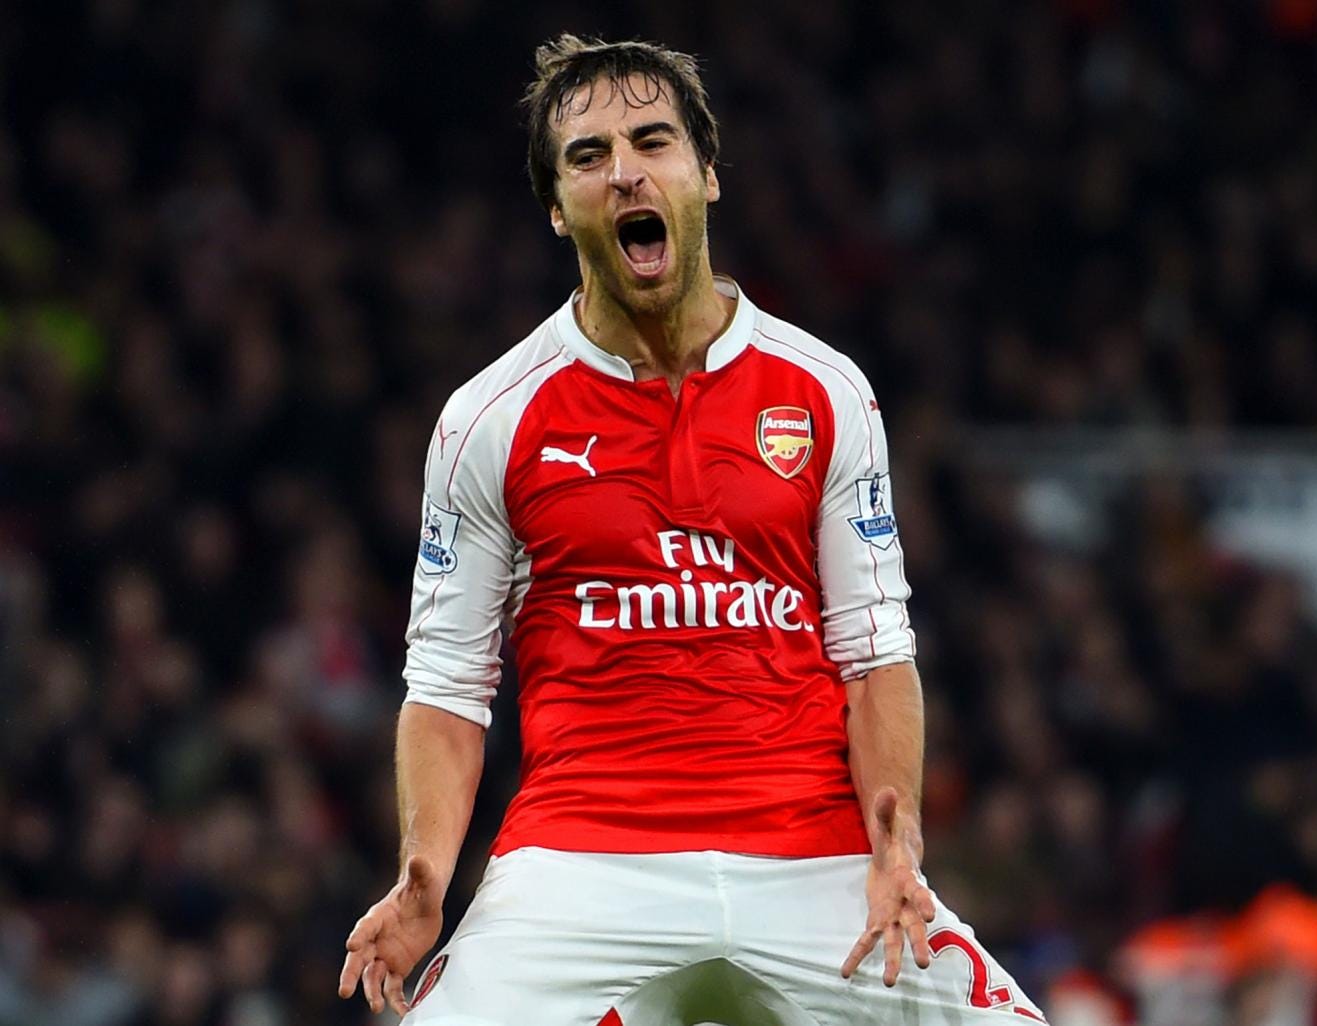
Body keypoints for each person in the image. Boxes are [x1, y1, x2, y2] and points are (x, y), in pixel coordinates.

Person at [338, 34, 1048, 1026]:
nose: (624, 171)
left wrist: (898, 850)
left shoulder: (827, 391)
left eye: (652, 140)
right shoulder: (489, 418)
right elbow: (450, 687)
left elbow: (876, 653)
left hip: (815, 860)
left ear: (707, 174)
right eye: (588, 156)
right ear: (557, 207)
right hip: (581, 866)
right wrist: (423, 875)